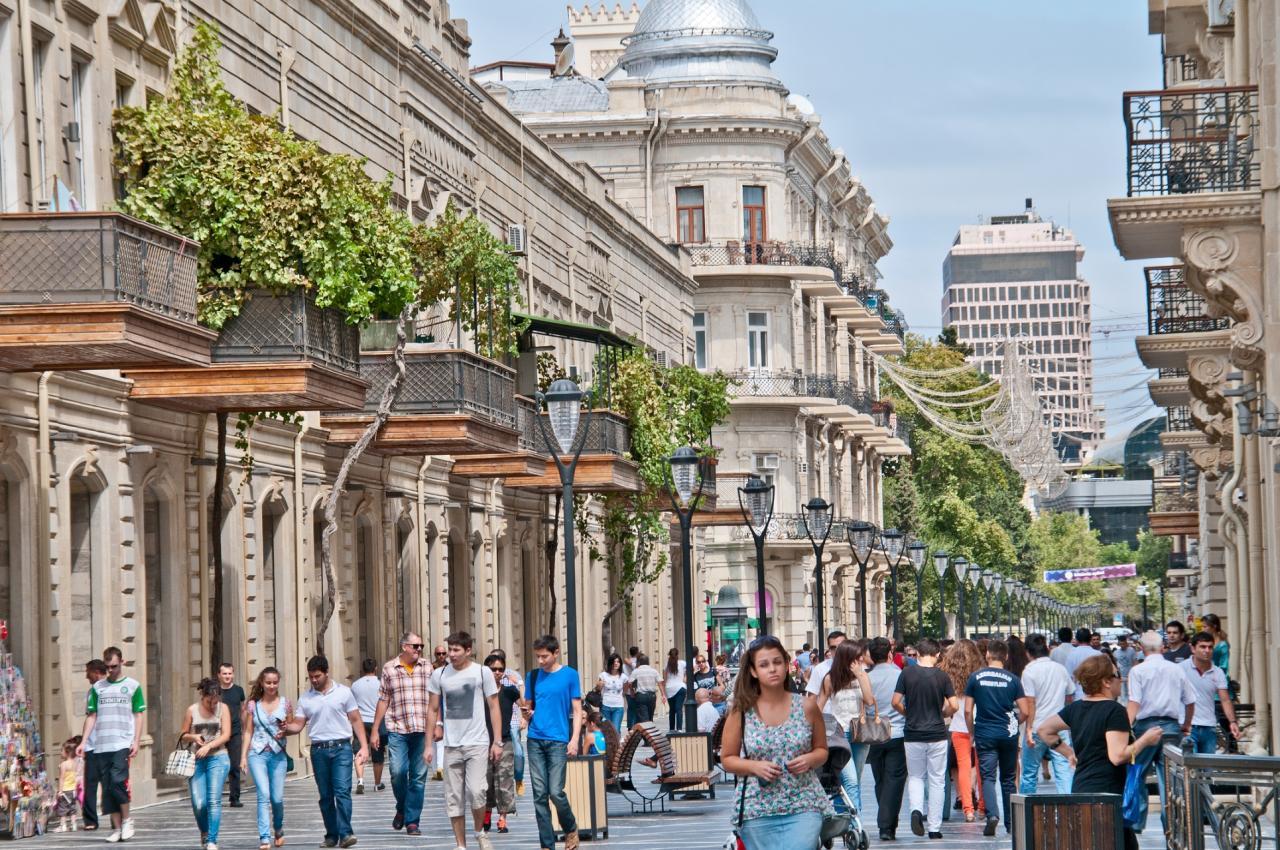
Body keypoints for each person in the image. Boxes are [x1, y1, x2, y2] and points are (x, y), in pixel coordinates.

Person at [1036, 654, 1164, 850]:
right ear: (1106, 681)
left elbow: (1044, 730)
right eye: (1117, 674)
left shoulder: (1076, 708)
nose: (1120, 679)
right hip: (1107, 794)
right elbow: (1117, 755)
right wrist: (1146, 740)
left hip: (1081, 788)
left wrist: (1068, 752)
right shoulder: (1114, 711)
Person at [721, 635, 833, 848]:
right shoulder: (741, 711)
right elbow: (727, 759)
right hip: (757, 809)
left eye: (777, 662)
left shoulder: (807, 707)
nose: (772, 669)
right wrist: (754, 766)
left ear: (786, 665)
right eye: (764, 665)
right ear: (753, 671)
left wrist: (809, 759)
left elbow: (822, 750)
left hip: (804, 803)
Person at [425, 631, 504, 850]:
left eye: (456, 650)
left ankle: (480, 832)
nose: (451, 654)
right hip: (451, 744)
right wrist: (428, 746)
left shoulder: (482, 672)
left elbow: (494, 706)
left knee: (477, 791)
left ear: (468, 650)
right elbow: (432, 710)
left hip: (477, 742)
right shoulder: (439, 675)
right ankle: (461, 845)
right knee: (454, 798)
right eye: (449, 649)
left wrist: (497, 741)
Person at [283, 655, 370, 849]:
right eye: (311, 677)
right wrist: (285, 728)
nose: (314, 680)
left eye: (317, 676)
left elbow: (355, 719)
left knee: (342, 791)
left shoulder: (344, 693)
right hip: (319, 750)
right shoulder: (306, 698)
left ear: (326, 672)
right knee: (325, 795)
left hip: (341, 748)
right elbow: (298, 724)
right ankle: (331, 835)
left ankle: (346, 833)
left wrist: (363, 746)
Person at [1126, 630, 1196, 835]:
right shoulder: (1175, 670)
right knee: (1170, 782)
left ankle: (1136, 823)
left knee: (1136, 772)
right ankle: (1172, 827)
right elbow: (1190, 701)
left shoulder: (1137, 671)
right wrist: (1186, 725)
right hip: (1172, 728)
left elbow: (1134, 702)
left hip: (1145, 728)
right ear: (1162, 647)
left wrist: (1125, 727)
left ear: (1141, 648)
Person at [76, 647, 145, 843]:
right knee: (107, 787)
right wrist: (83, 742)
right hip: (101, 744)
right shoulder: (98, 688)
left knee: (117, 781)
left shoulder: (133, 686)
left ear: (122, 662)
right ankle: (115, 827)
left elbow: (139, 715)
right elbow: (92, 716)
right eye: (107, 667)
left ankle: (127, 820)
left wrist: (136, 741)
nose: (111, 670)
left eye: (114, 666)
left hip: (122, 742)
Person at [521, 634, 582, 850]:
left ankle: (571, 828)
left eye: (544, 656)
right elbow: (528, 705)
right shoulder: (533, 676)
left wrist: (574, 740)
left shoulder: (570, 675)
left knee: (556, 792)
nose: (540, 661)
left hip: (558, 740)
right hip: (535, 739)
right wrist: (526, 715)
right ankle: (547, 844)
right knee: (539, 795)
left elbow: (577, 710)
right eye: (537, 656)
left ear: (556, 653)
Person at [964, 639, 1030, 837]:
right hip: (1008, 734)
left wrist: (972, 731)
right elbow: (1025, 711)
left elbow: (968, 710)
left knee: (988, 777)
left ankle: (992, 815)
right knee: (1009, 779)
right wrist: (1013, 722)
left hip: (985, 732)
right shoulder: (1013, 679)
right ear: (1006, 656)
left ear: (987, 655)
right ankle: (1011, 824)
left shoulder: (976, 678)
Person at [893, 638, 957, 840]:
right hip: (937, 733)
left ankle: (915, 811)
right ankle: (935, 828)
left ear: (918, 654)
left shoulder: (907, 673)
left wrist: (908, 714)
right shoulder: (942, 676)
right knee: (937, 780)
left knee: (916, 776)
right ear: (938, 655)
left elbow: (895, 702)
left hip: (913, 733)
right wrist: (943, 713)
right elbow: (953, 705)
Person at [370, 632, 431, 835]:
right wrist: (375, 731)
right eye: (415, 646)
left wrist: (438, 723)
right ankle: (402, 807)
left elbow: (436, 699)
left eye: (421, 645)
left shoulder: (427, 667)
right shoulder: (389, 668)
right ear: (404, 646)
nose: (419, 649)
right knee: (397, 772)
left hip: (422, 729)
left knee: (418, 777)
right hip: (398, 729)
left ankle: (412, 820)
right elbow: (383, 700)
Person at [817, 640, 875, 817]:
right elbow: (818, 706)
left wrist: (861, 676)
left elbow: (869, 701)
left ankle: (843, 817)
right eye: (857, 658)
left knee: (854, 780)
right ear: (847, 658)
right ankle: (854, 823)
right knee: (849, 780)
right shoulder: (830, 678)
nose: (860, 661)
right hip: (838, 735)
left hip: (859, 732)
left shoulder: (863, 675)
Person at [241, 666, 291, 850]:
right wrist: (243, 757)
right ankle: (264, 837)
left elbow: (291, 728)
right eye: (268, 682)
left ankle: (278, 828)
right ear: (262, 683)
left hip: (278, 754)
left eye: (275, 682)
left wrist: (286, 728)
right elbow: (248, 731)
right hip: (257, 753)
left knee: (276, 798)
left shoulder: (286, 703)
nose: (271, 686)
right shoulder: (252, 705)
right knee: (263, 794)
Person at [180, 677, 232, 850]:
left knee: (213, 800)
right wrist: (194, 736)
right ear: (203, 695)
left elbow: (226, 735)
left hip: (218, 757)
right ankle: (204, 832)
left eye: (216, 700)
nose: (213, 704)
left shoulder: (223, 709)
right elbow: (183, 734)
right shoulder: (192, 710)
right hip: (197, 760)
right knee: (198, 802)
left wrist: (209, 745)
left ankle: (212, 840)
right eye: (210, 700)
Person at [1019, 633, 1074, 795]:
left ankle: (1026, 812)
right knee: (1063, 771)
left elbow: (1031, 702)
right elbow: (1070, 694)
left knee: (1029, 773)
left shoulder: (1029, 671)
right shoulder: (1060, 669)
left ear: (1028, 652)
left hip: (1037, 727)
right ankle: (1068, 810)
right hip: (1059, 726)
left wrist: (1028, 729)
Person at [938, 638, 985, 822]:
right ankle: (982, 806)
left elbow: (947, 704)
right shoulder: (981, 673)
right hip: (980, 724)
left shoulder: (948, 673)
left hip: (958, 726)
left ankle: (968, 809)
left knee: (963, 768)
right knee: (982, 767)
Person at [865, 637, 907, 841]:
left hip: (874, 733)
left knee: (880, 778)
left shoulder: (867, 678)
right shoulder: (900, 675)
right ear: (890, 654)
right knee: (895, 780)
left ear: (871, 657)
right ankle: (887, 824)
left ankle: (885, 820)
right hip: (898, 732)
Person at [1180, 631, 1239, 753]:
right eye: (1202, 646)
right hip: (1188, 728)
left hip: (1209, 726)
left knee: (1208, 769)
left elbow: (1225, 699)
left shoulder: (1218, 672)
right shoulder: (1180, 669)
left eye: (1210, 647)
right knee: (1191, 768)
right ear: (1193, 648)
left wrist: (1232, 722)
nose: (1207, 650)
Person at [482, 654, 520, 835]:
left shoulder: (509, 691)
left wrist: (518, 684)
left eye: (500, 669)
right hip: (483, 743)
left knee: (504, 780)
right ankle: (487, 812)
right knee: (486, 780)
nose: (497, 672)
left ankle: (503, 817)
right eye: (493, 669)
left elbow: (525, 703)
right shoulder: (480, 692)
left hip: (505, 741)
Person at [79, 658, 107, 832]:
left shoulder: (96, 691)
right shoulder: (93, 691)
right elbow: (90, 716)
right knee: (94, 784)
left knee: (97, 784)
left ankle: (92, 821)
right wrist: (84, 741)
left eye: (88, 672)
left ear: (96, 672)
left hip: (106, 744)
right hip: (94, 745)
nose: (86, 676)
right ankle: (92, 819)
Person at [350, 658, 386, 793]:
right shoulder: (380, 683)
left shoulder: (355, 685)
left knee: (359, 750)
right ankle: (377, 784)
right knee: (378, 753)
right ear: (376, 668)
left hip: (360, 722)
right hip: (377, 721)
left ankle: (360, 780)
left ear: (362, 669)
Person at [216, 663, 246, 808]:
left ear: (233, 674)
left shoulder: (239, 691)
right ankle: (215, 796)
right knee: (219, 765)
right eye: (224, 674)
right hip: (218, 733)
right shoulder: (215, 692)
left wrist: (245, 729)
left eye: (229, 673)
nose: (227, 676)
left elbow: (243, 711)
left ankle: (235, 798)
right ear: (219, 675)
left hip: (234, 732)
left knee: (235, 765)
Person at [1063, 627, 1101, 700]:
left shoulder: (1071, 655)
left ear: (1076, 640)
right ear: (1090, 639)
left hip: (1077, 696)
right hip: (1097, 695)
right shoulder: (1098, 654)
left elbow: (1069, 677)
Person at [53, 738, 82, 832]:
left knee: (63, 809)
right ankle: (74, 825)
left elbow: (62, 778)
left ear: (67, 752)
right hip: (73, 790)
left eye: (62, 750)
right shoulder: (74, 763)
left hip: (65, 790)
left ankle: (63, 825)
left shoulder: (63, 764)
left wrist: (60, 791)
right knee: (72, 808)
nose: (61, 752)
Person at [596, 654, 628, 732]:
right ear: (610, 663)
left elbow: (625, 690)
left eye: (618, 661)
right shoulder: (603, 675)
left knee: (615, 729)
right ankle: (608, 744)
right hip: (605, 706)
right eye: (614, 661)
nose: (616, 663)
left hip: (618, 706)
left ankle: (616, 744)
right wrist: (599, 685)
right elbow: (598, 690)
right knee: (606, 730)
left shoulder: (624, 677)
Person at [626, 653, 660, 723]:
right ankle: (649, 729)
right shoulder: (654, 671)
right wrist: (663, 695)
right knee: (650, 717)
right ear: (648, 662)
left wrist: (632, 692)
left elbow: (629, 683)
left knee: (643, 718)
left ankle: (645, 732)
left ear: (639, 662)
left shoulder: (636, 671)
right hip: (652, 695)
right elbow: (660, 682)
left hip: (641, 696)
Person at [663, 648, 688, 732]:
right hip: (681, 687)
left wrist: (663, 693)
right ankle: (679, 729)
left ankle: (671, 729)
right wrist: (685, 678)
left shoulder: (666, 664)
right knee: (679, 709)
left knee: (672, 710)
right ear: (678, 655)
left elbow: (665, 678)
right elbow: (692, 669)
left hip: (669, 688)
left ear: (669, 655)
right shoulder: (683, 663)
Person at [1202, 613, 1230, 679]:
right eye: (1202, 627)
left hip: (1218, 681)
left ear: (1214, 626)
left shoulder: (1222, 645)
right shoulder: (1205, 641)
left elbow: (1224, 666)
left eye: (1205, 627)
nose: (1203, 629)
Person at [1113, 635, 1137, 703]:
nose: (1122, 645)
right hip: (1121, 677)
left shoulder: (1131, 650)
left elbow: (1135, 662)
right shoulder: (1116, 653)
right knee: (1122, 695)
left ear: (1126, 642)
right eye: (1120, 644)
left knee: (1131, 694)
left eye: (1123, 643)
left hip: (1130, 676)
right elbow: (1115, 665)